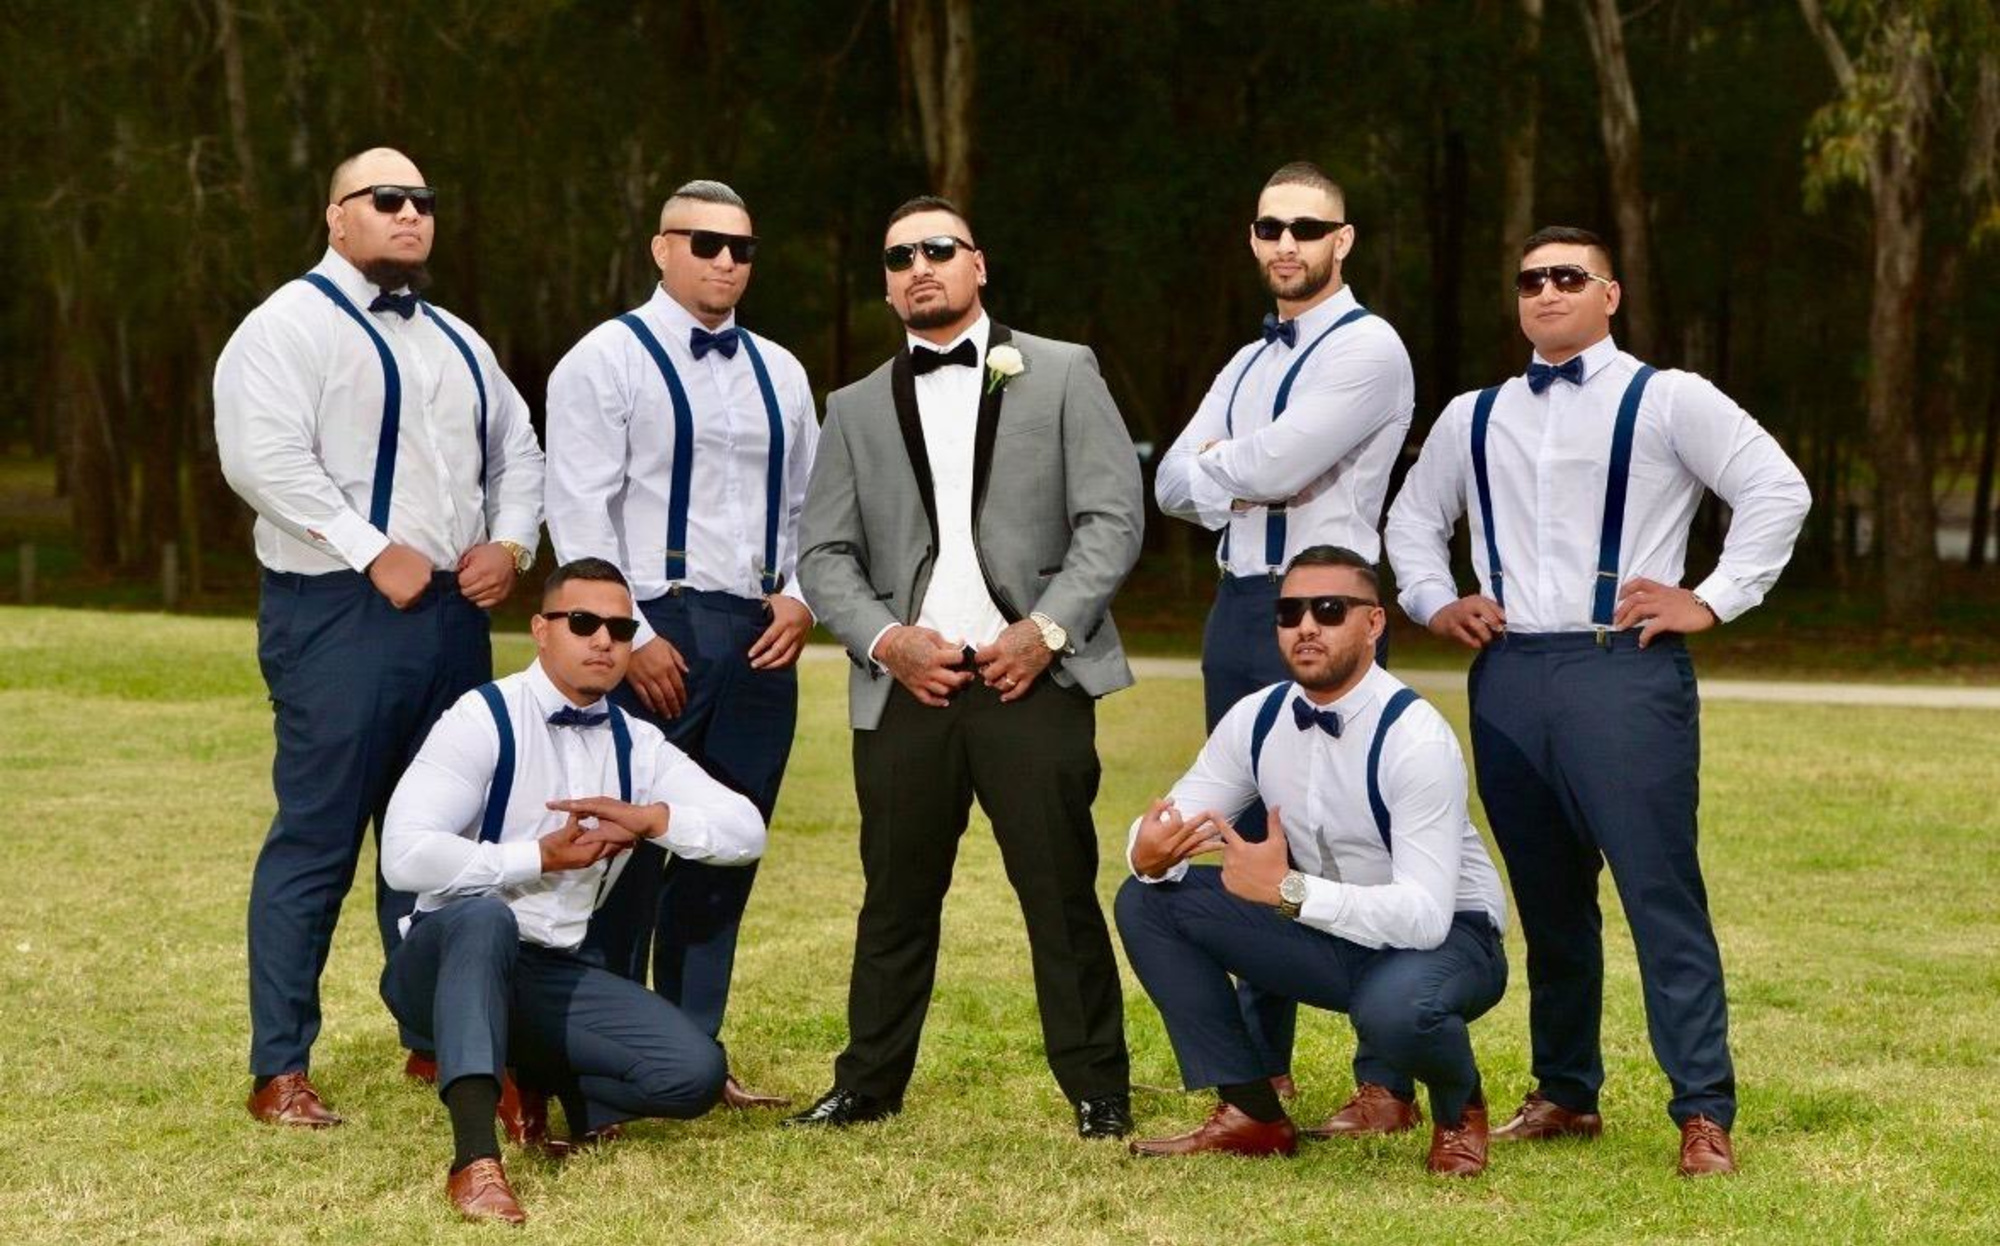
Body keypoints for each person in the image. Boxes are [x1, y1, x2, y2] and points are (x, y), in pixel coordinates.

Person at [1385, 225, 1812, 1176]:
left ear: (1609, 294)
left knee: (1661, 896)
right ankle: (1567, 1092)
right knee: (1549, 901)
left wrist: (1711, 598)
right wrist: (1432, 599)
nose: (1546, 293)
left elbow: (1777, 490)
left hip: (1625, 670)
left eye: (1567, 278)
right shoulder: (1475, 414)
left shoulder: (1668, 399)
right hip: (1508, 675)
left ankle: (1703, 1110)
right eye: (1531, 281)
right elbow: (1414, 519)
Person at [786, 195, 1144, 1138]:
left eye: (938, 249)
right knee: (894, 901)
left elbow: (1113, 519)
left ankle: (1099, 1090)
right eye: (899, 256)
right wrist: (886, 642)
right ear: (887, 282)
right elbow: (823, 553)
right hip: (911, 686)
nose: (919, 267)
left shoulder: (1065, 373)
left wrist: (1050, 631)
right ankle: (867, 1085)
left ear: (977, 264)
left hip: (1034, 679)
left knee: (1059, 896)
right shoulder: (855, 407)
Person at [214, 146, 545, 1126]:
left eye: (423, 202)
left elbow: (516, 446)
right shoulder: (284, 328)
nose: (409, 214)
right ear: (335, 217)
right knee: (318, 837)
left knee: (445, 831)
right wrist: (370, 549)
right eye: (386, 199)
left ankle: (432, 1033)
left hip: (454, 618)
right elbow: (261, 456)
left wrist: (512, 540)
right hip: (339, 614)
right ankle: (280, 1068)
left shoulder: (457, 339)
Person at [1154, 160, 1418, 1134]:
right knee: (1246, 829)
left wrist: (1223, 465)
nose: (1284, 244)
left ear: (1341, 240)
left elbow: (1273, 463)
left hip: (1328, 598)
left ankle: (1385, 1080)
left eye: (1305, 228)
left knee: (1353, 832)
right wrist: (1231, 469)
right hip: (1237, 607)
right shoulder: (1248, 358)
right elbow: (1167, 483)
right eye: (1268, 227)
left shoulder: (1369, 348)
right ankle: (1258, 1079)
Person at [379, 557, 765, 1224]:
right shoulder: (483, 716)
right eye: (583, 622)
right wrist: (537, 858)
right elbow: (403, 856)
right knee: (484, 922)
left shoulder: (639, 746)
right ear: (540, 628)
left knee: (694, 1074)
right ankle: (474, 1160)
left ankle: (531, 1082)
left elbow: (746, 830)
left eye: (621, 627)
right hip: (441, 964)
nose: (604, 640)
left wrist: (656, 820)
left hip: (546, 971)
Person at [544, 178, 817, 1108]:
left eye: (741, 247)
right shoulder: (604, 360)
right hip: (651, 625)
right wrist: (634, 636)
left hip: (759, 632)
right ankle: (596, 1067)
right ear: (661, 248)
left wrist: (804, 599)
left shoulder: (782, 369)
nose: (726, 261)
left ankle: (692, 1055)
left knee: (723, 847)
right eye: (705, 243)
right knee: (620, 859)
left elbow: (813, 508)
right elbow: (577, 514)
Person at [1116, 546, 1508, 1175]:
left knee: (1396, 1009)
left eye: (1328, 610)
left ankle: (1459, 1110)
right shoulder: (1258, 717)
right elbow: (1170, 816)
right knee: (1147, 900)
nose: (1306, 626)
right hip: (1327, 926)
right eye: (1289, 611)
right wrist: (1147, 848)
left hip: (1451, 941)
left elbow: (1426, 918)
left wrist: (1289, 892)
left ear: (1373, 624)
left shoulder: (1416, 737)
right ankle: (1253, 1114)